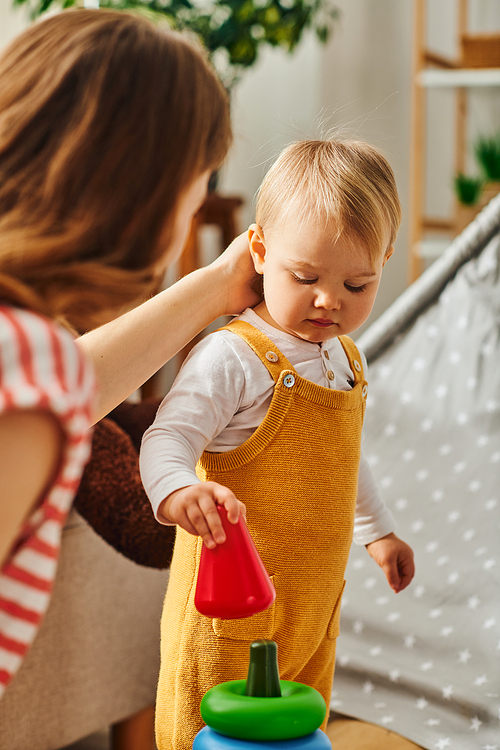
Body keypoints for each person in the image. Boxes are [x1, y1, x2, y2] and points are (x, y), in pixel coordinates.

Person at [0, 8, 259, 704]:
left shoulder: (29, 360)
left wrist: (219, 286)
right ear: (143, 197)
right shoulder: (28, 365)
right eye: (200, 178)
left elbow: (68, 389)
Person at [140, 139, 416, 750]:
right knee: (206, 734)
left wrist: (379, 531)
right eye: (306, 277)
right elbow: (168, 436)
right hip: (228, 612)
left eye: (357, 283)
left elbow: (344, 459)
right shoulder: (234, 356)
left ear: (385, 261)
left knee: (299, 732)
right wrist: (178, 489)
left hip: (314, 606)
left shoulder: (346, 357)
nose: (330, 300)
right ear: (260, 252)